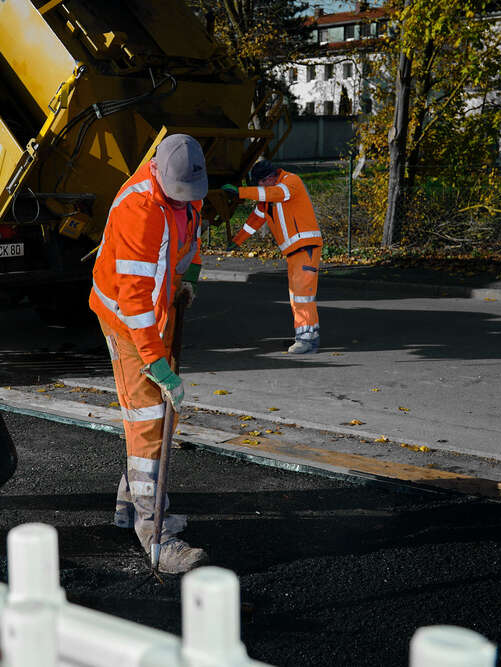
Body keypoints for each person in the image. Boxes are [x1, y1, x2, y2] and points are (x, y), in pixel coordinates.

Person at [89, 134, 207, 573]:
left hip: (159, 309)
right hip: (126, 318)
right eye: (176, 197)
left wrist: (189, 276)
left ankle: (127, 504)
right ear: (157, 172)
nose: (184, 203)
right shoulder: (138, 210)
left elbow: (193, 235)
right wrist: (157, 365)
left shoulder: (187, 190)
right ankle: (154, 530)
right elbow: (134, 301)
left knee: (150, 416)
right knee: (147, 418)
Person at [223, 160, 322, 353]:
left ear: (268, 178)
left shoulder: (290, 181)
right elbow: (256, 219)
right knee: (297, 297)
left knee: (303, 295)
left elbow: (278, 194)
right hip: (295, 251)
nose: (259, 188)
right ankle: (305, 336)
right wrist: (237, 241)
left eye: (259, 184)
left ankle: (307, 341)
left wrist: (241, 192)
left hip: (305, 247)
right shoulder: (269, 195)